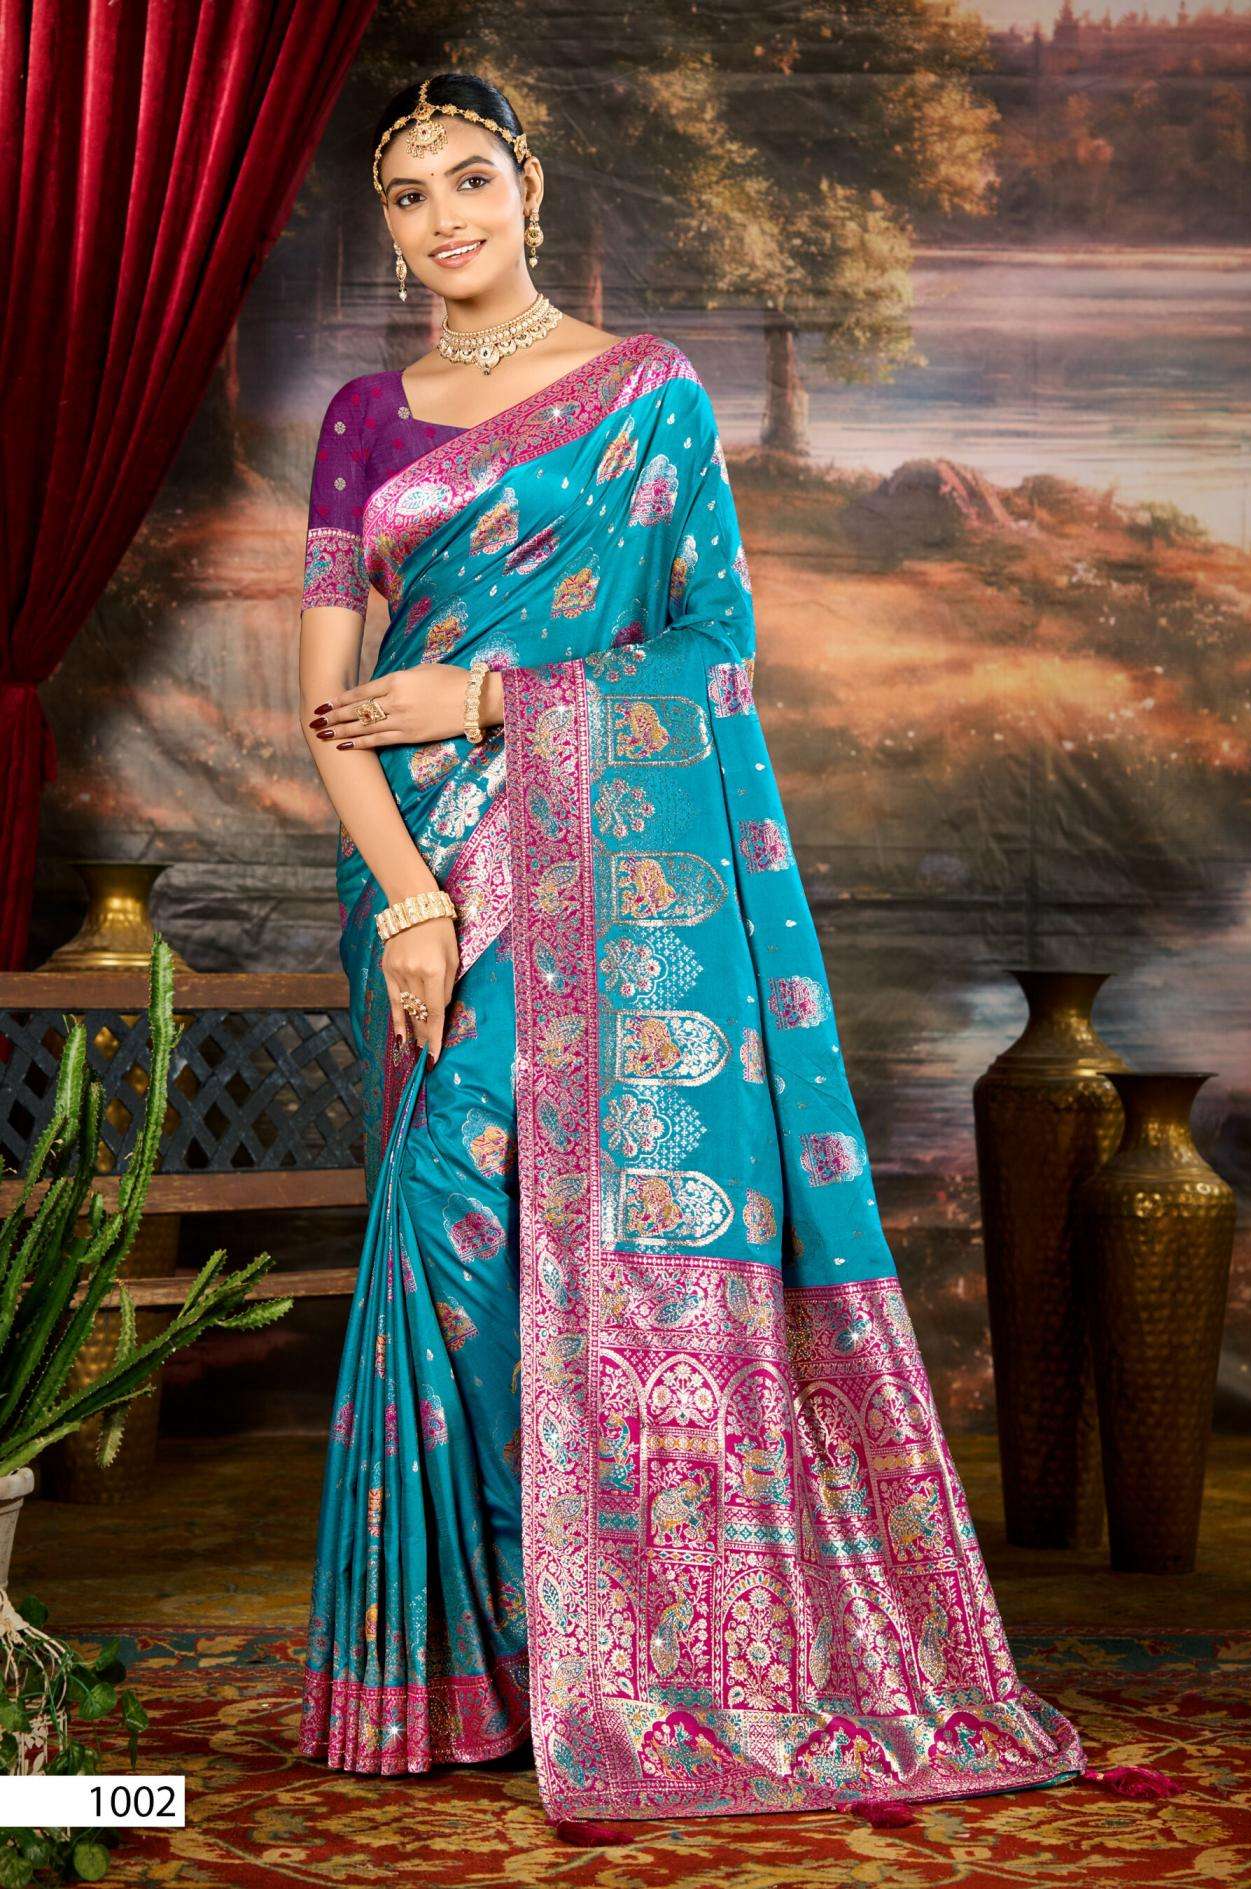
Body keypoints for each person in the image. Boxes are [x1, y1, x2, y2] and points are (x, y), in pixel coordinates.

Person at [294, 69, 1086, 1833]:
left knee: (550, 1208)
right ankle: (484, 1663)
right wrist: (411, 899)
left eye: (470, 178)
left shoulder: (648, 393)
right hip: (421, 868)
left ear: (530, 186)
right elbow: (328, 704)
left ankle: (622, 1632)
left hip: (604, 874)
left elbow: (715, 650)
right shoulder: (362, 418)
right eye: (410, 195)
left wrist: (491, 693)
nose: (444, 219)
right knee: (444, 1209)